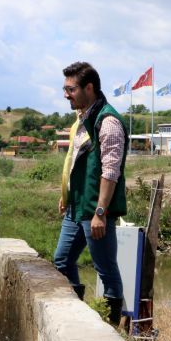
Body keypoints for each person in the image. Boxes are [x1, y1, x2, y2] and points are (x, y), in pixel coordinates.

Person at [54, 62, 128, 325]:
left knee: (106, 270)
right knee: (61, 261)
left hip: (96, 210)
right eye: (64, 89)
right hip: (77, 206)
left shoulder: (107, 122)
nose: (66, 94)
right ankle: (77, 318)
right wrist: (67, 194)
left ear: (89, 87)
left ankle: (110, 328)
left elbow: (110, 171)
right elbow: (75, 162)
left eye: (70, 89)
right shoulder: (83, 119)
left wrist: (100, 212)